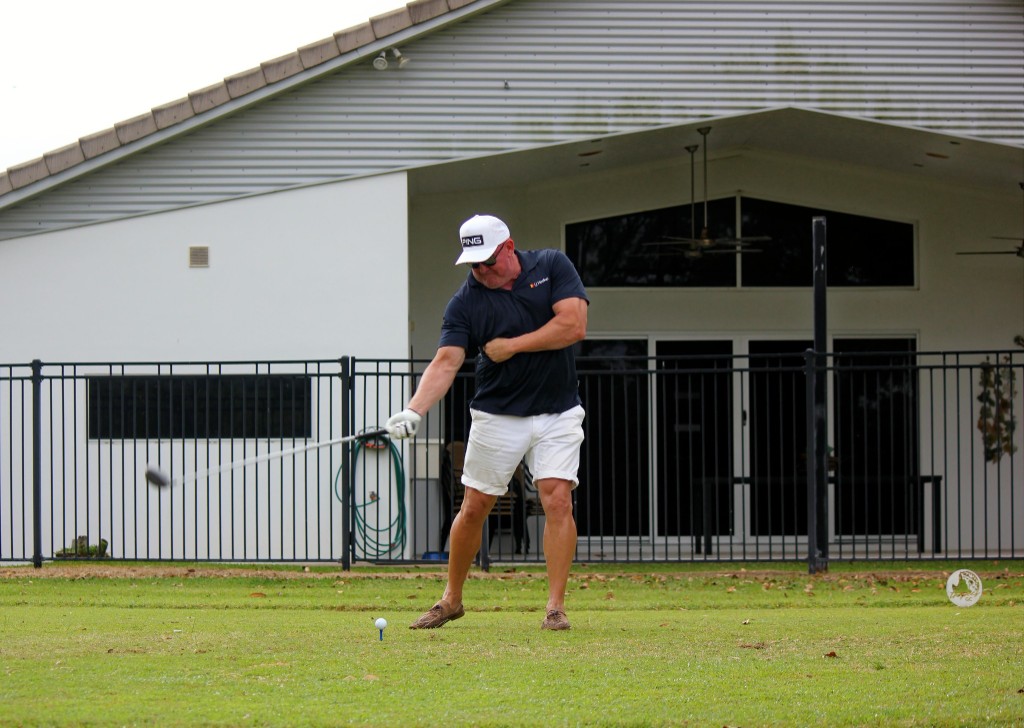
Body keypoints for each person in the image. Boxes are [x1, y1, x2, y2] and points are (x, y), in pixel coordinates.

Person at [386, 213, 589, 631]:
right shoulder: (465, 302)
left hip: (558, 410)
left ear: (509, 248)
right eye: (473, 264)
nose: (481, 271)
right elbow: (446, 362)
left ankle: (555, 607)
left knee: (557, 499)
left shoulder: (552, 266)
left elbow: (573, 325)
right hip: (497, 414)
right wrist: (414, 409)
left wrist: (512, 346)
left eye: (487, 261)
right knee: (475, 506)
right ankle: (452, 600)